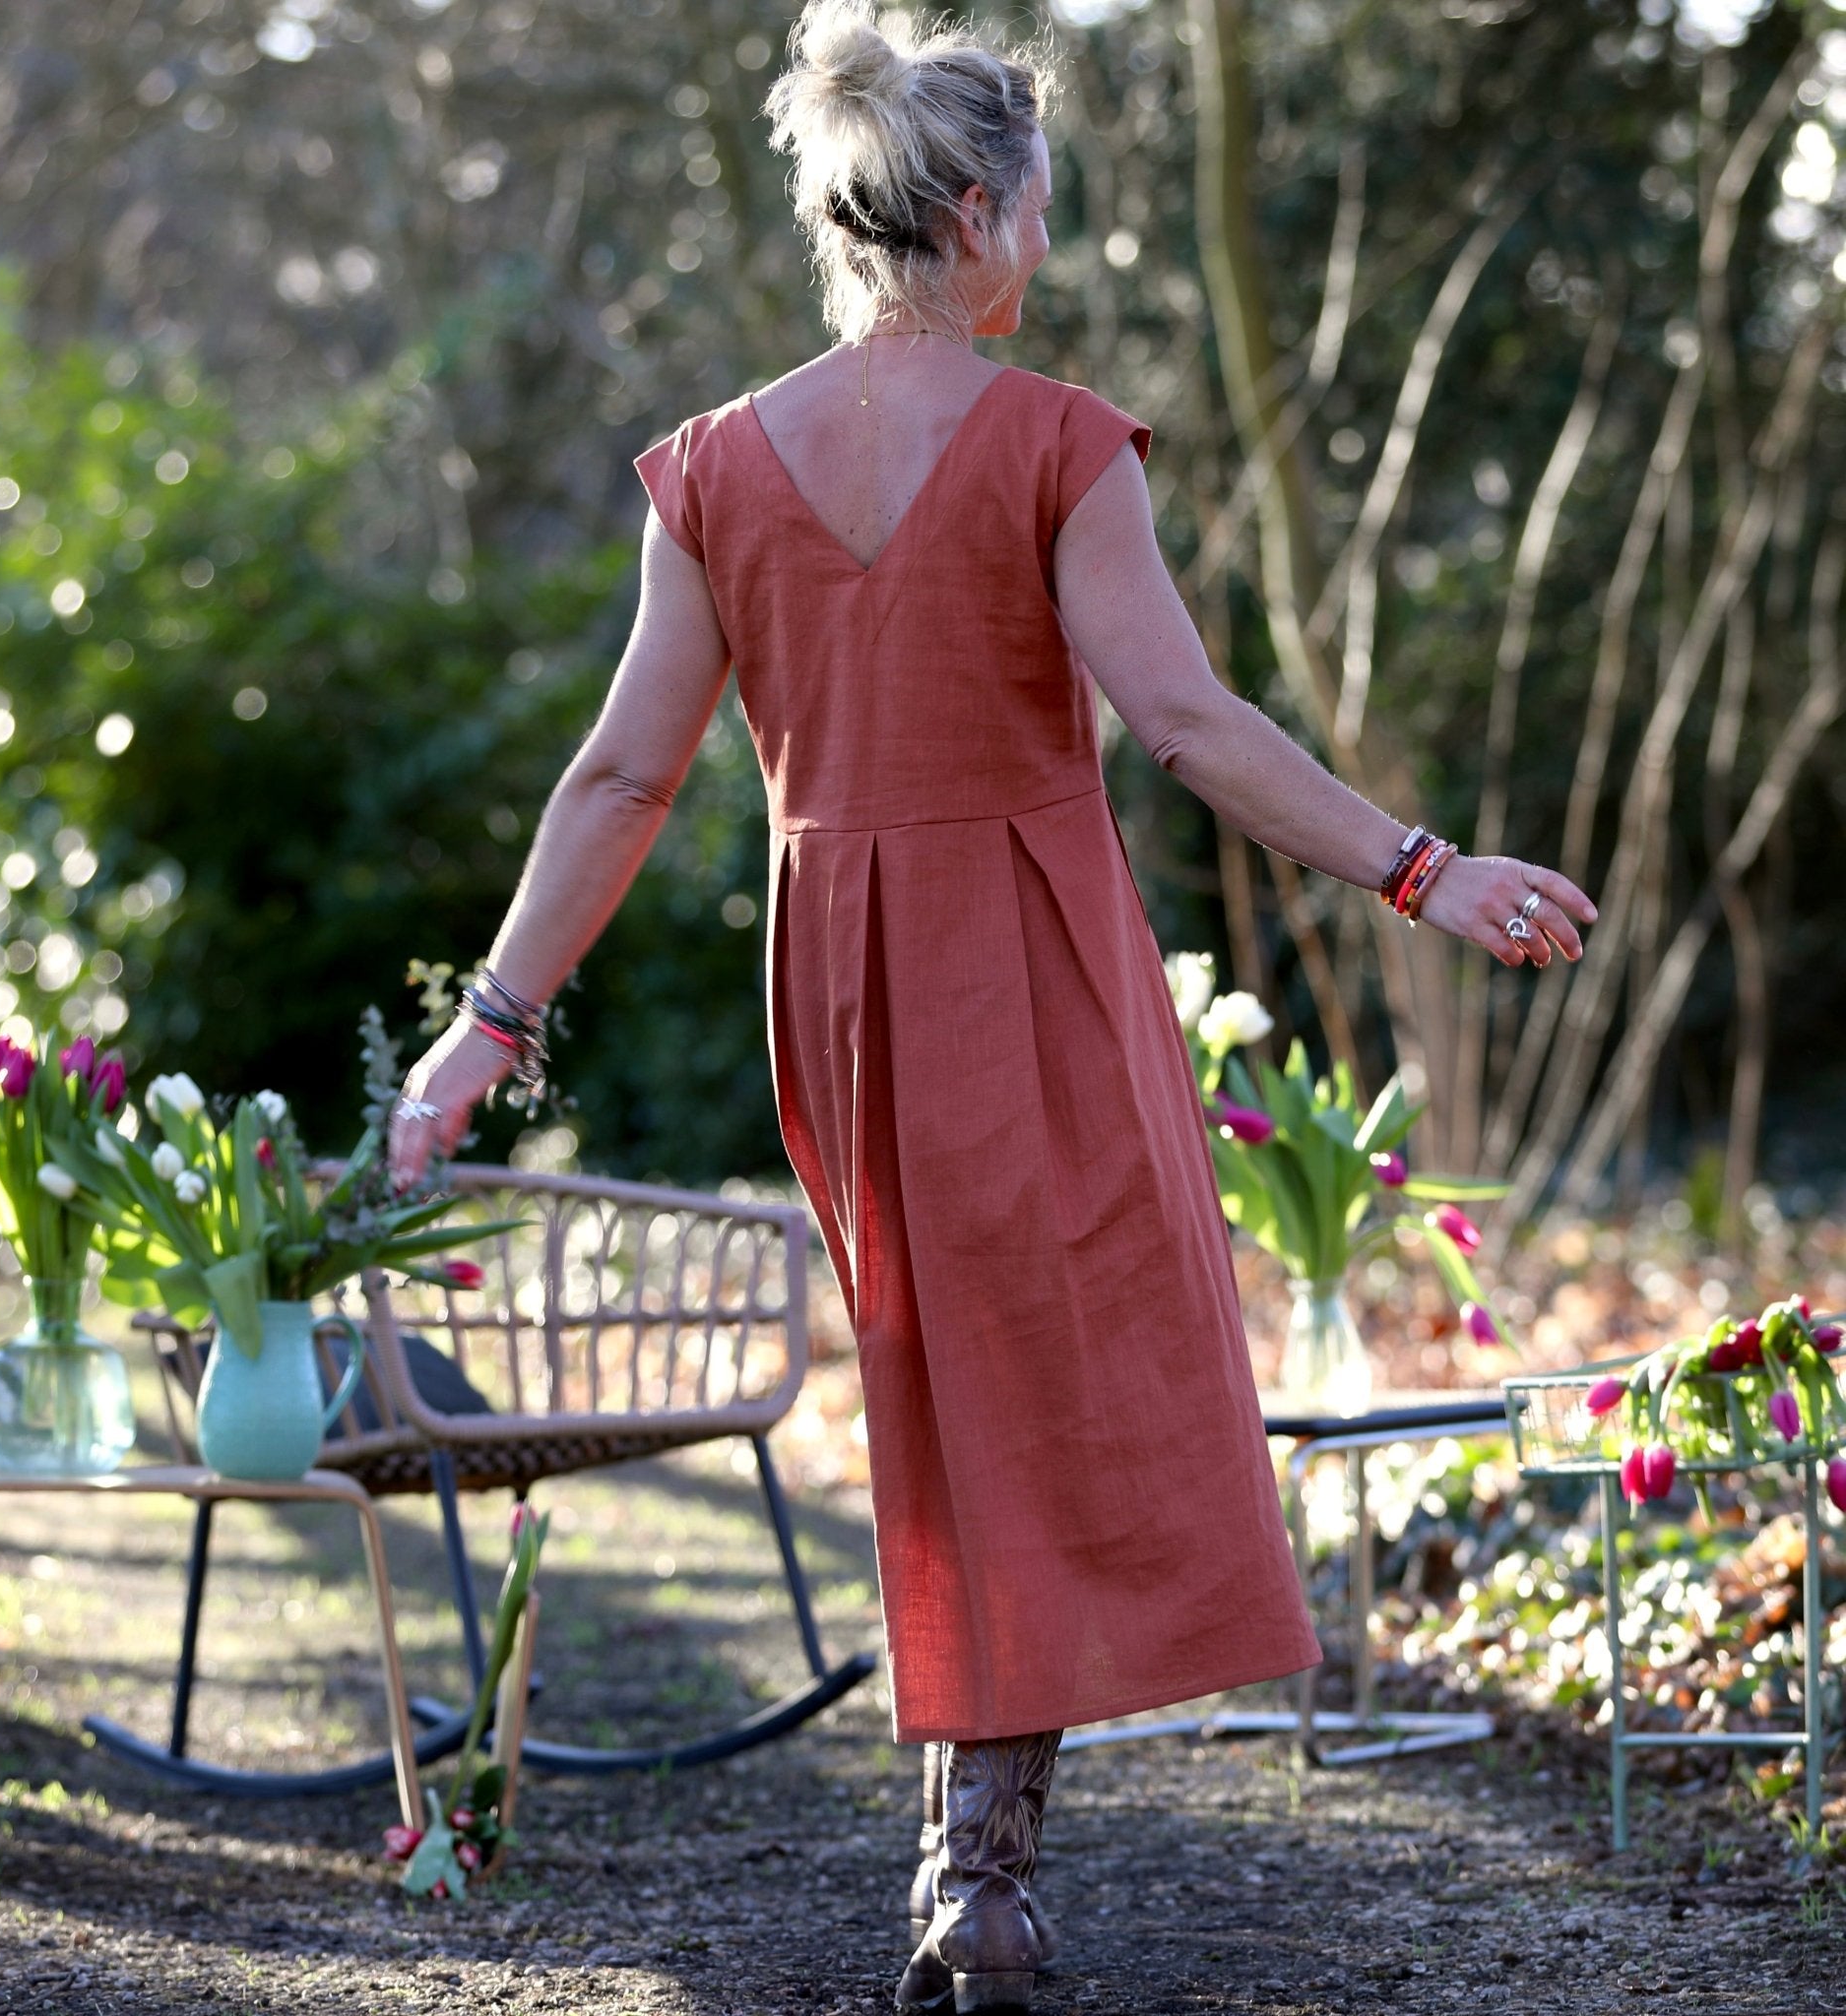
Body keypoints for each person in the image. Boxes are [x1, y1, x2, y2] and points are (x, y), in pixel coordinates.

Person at [387, 4, 1597, 2008]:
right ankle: (981, 1873)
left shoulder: (713, 468)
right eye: (1038, 203)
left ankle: (974, 1863)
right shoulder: (1054, 442)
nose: (1048, 237)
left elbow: (618, 781)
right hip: (1031, 951)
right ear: (972, 213)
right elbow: (1188, 724)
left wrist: (488, 1026)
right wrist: (1420, 868)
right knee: (1054, 1374)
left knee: (944, 1384)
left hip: (843, 974)